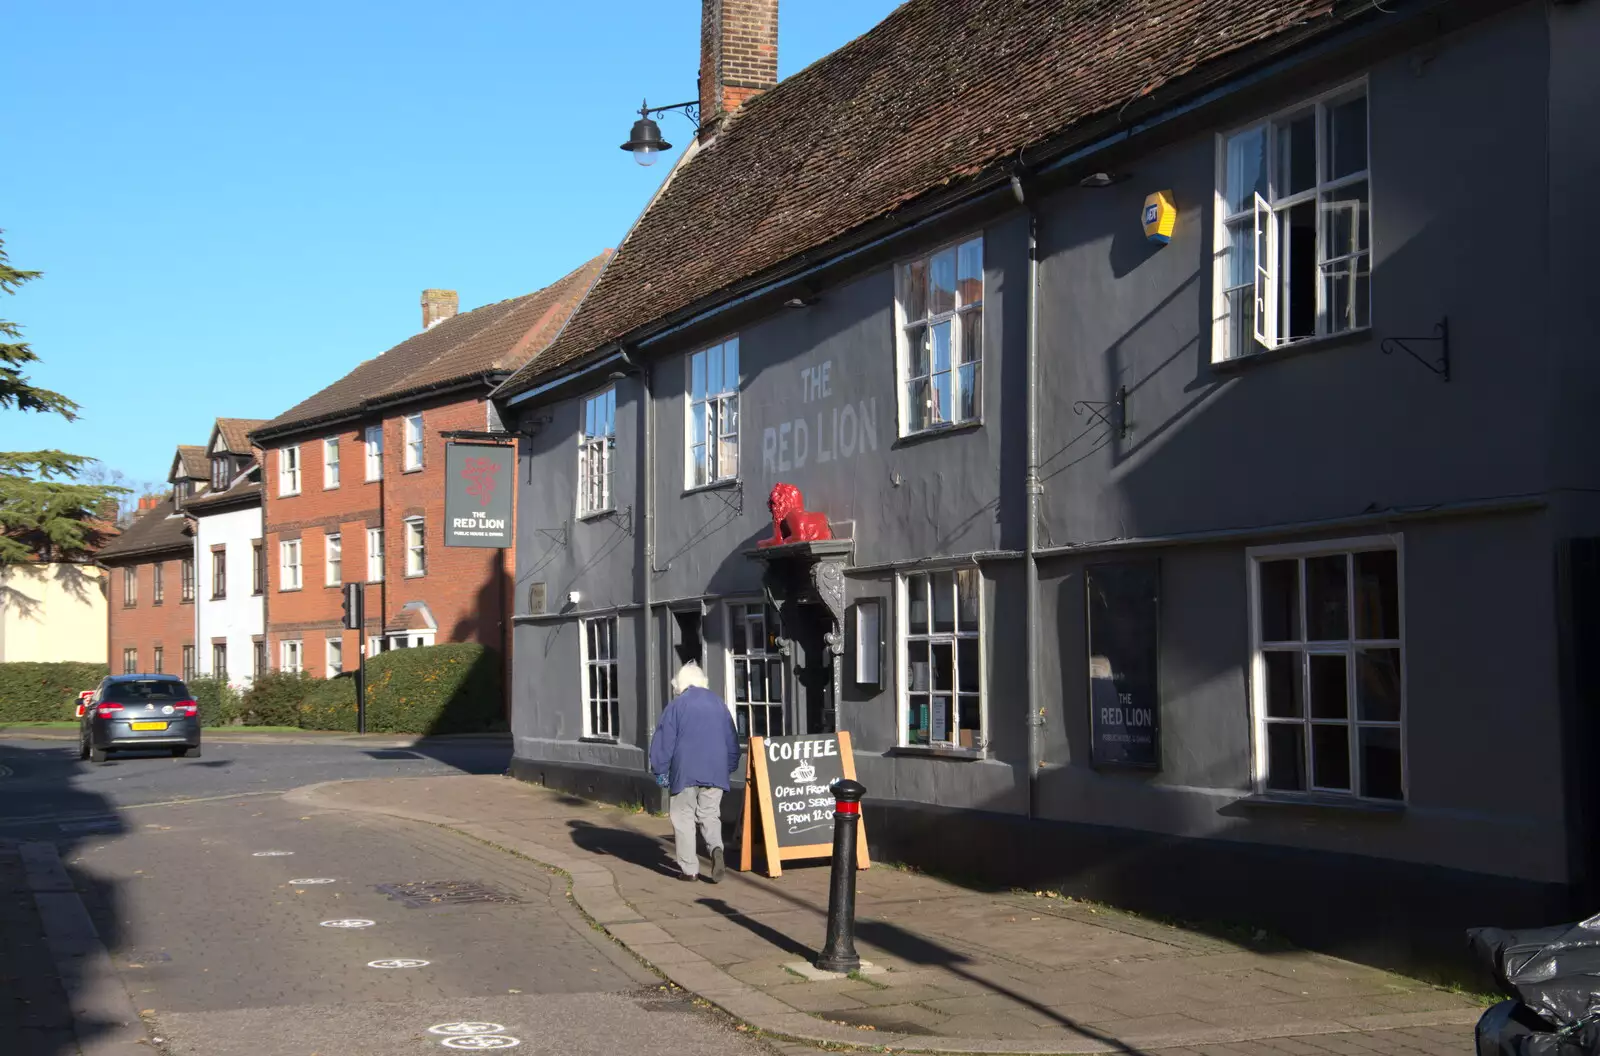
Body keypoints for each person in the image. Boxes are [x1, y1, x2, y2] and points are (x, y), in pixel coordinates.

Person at [649, 661, 741, 882]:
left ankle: (690, 869)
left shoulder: (677, 705)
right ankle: (716, 849)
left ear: (680, 684)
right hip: (716, 769)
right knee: (709, 814)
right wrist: (728, 765)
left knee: (683, 816)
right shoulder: (719, 704)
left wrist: (660, 770)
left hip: (685, 771)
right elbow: (732, 739)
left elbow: (664, 741)